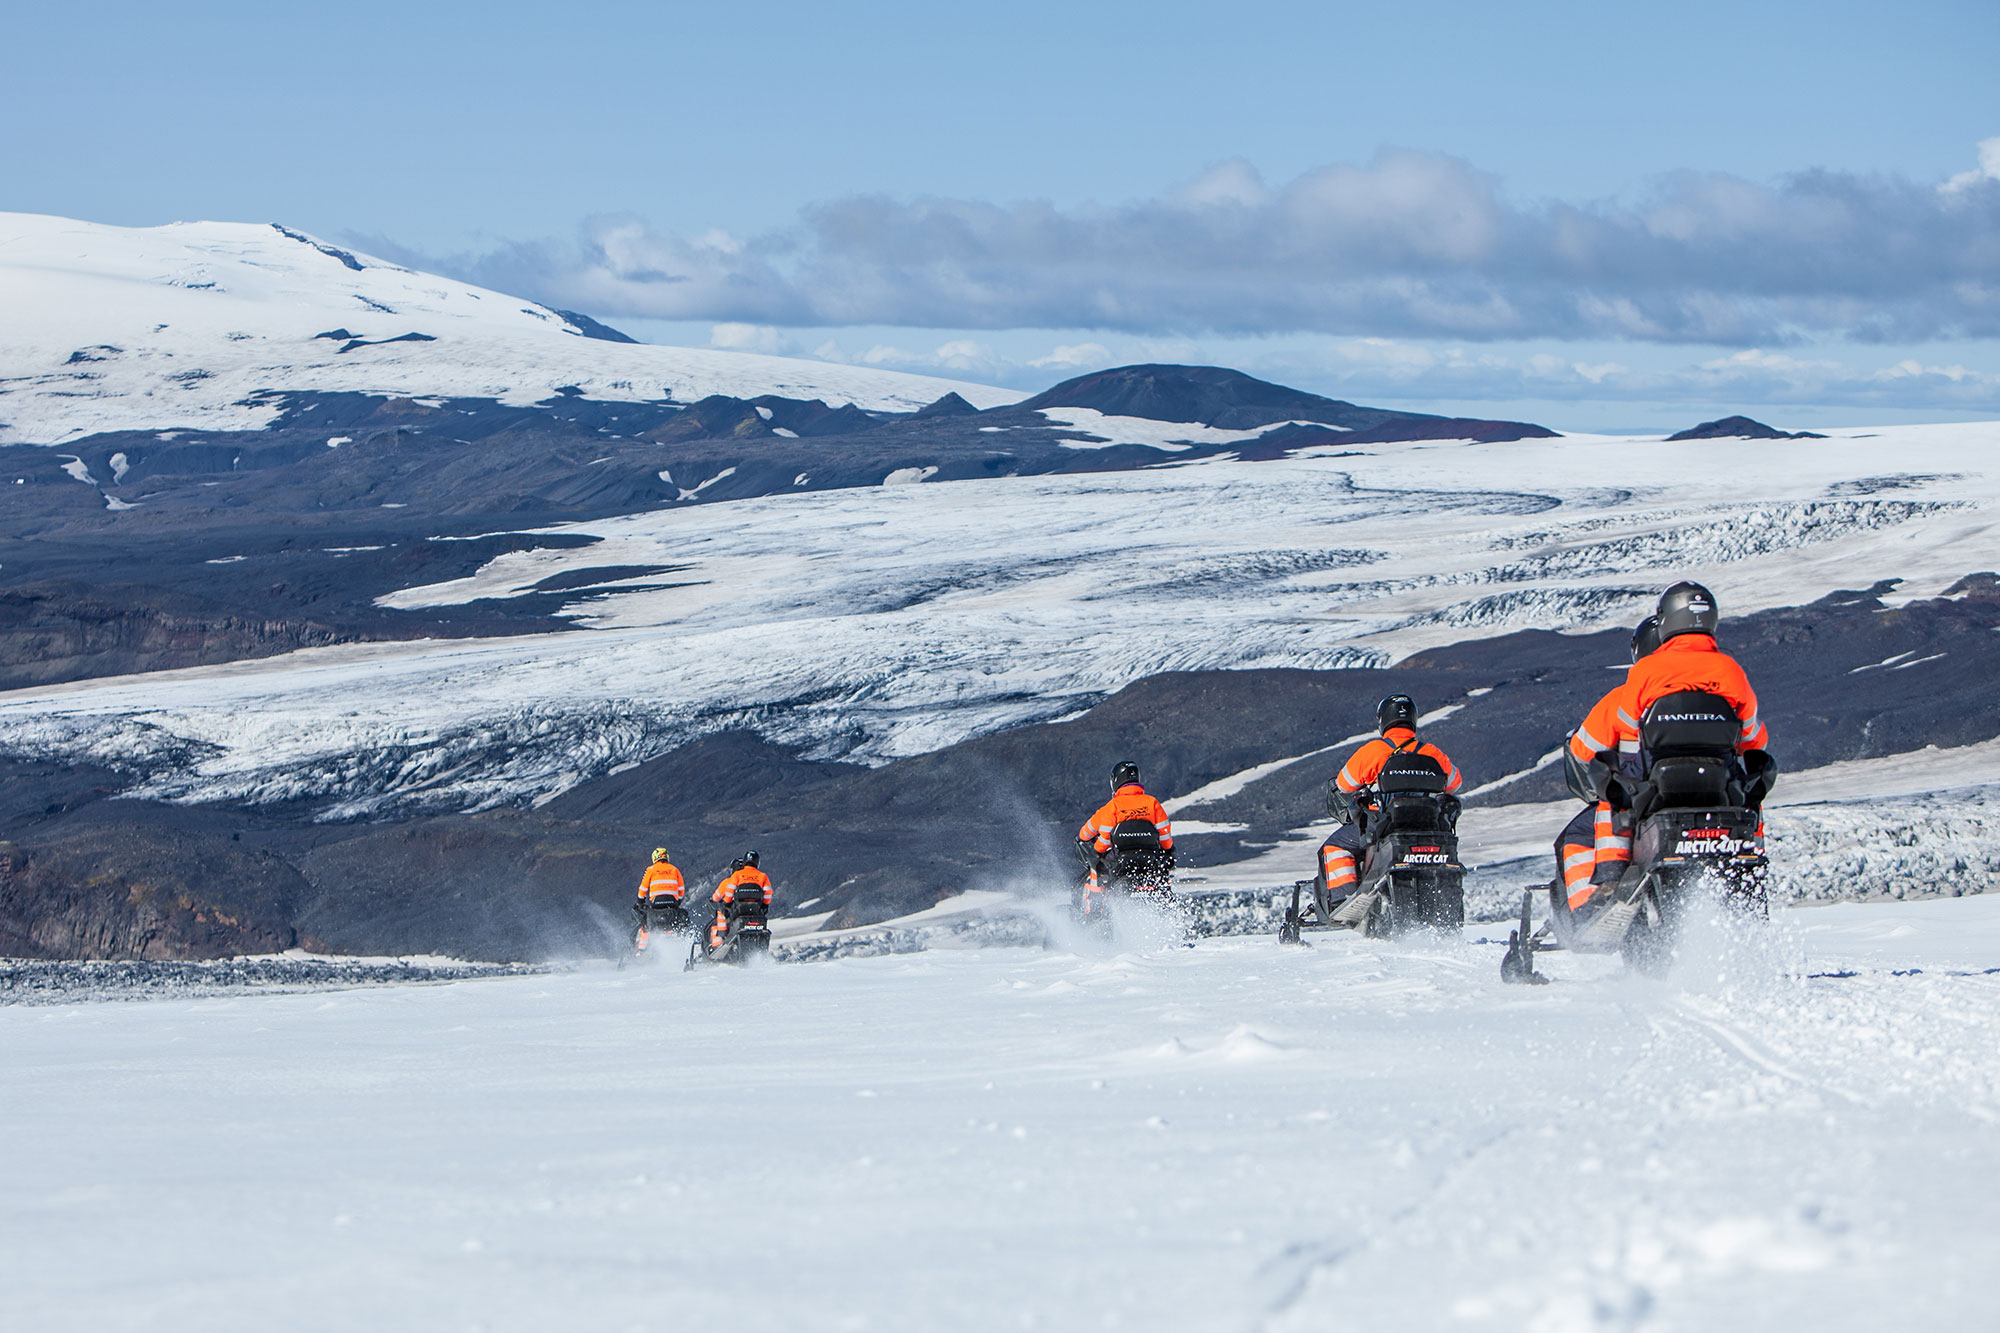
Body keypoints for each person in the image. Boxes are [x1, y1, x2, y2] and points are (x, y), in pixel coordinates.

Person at [1560, 583, 1770, 910]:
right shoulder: (1732, 671)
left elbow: (1628, 732)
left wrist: (1622, 775)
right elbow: (1754, 738)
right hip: (1718, 787)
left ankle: (1610, 879)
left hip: (1657, 789)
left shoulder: (1645, 672)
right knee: (1752, 799)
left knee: (1610, 802)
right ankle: (1749, 856)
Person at [1318, 695, 1462, 903]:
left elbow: (1343, 784)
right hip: (1427, 823)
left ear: (1383, 720)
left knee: (1335, 847)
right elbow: (1455, 784)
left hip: (1383, 823)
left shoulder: (1374, 750)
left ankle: (1342, 898)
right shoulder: (1432, 753)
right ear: (1413, 719)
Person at [1076, 761, 1175, 899]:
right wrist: (1168, 852)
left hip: (1121, 862)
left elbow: (1099, 837)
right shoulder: (1152, 803)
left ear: (1115, 781)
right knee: (1163, 873)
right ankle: (1167, 901)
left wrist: (1095, 852)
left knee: (1094, 865)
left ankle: (1094, 906)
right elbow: (1165, 834)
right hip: (1149, 860)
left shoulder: (1112, 807)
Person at [709, 851, 773, 953]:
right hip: (756, 910)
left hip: (739, 910)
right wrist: (765, 904)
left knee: (720, 913)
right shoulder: (762, 876)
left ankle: (720, 939)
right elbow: (768, 892)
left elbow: (730, 891)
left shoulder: (738, 875)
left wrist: (727, 903)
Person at [632, 847, 688, 951]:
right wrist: (678, 901)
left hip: (655, 905)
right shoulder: (674, 869)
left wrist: (639, 901)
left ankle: (640, 951)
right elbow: (681, 888)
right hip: (672, 904)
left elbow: (643, 888)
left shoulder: (651, 869)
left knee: (645, 924)